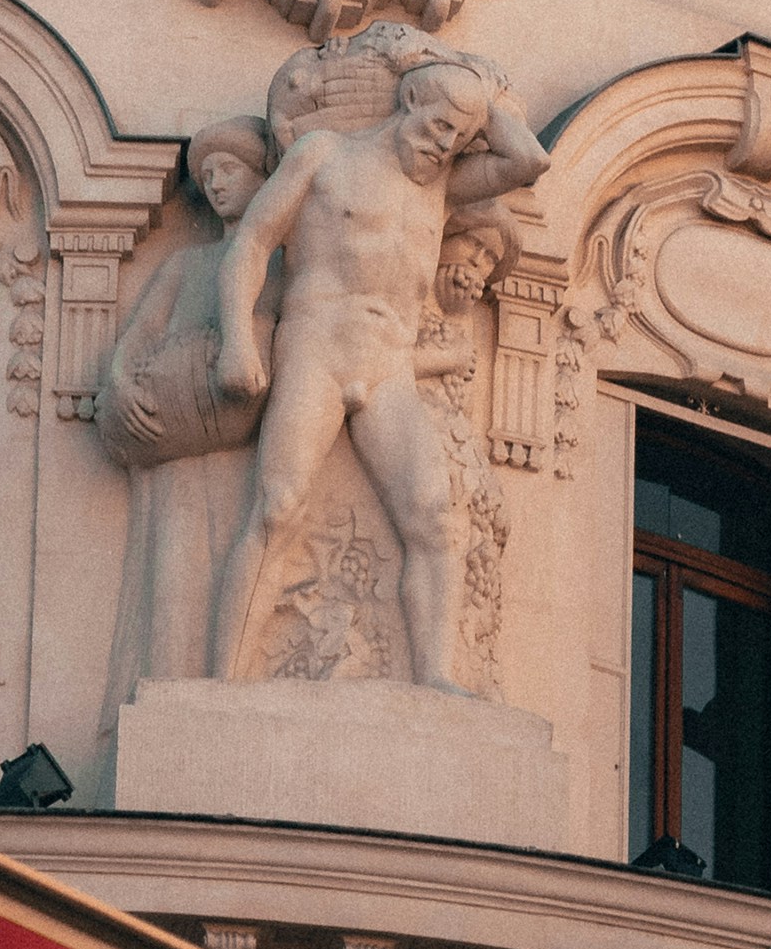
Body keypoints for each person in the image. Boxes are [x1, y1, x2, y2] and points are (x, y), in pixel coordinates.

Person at [207, 49, 541, 691]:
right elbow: (252, 243)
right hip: (317, 350)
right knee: (277, 507)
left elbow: (528, 161)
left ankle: (435, 677)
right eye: (438, 127)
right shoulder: (324, 155)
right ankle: (223, 680)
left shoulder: (441, 187)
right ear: (408, 101)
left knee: (435, 517)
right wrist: (236, 342)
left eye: (458, 140)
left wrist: (479, 93)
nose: (443, 147)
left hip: (390, 368)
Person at [94, 121, 279, 739]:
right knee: (175, 571)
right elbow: (137, 337)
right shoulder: (186, 264)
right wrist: (121, 383)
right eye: (208, 176)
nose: (218, 183)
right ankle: (173, 696)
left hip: (240, 444)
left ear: (263, 179)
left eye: (230, 171)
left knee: (238, 560)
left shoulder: (284, 264)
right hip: (175, 444)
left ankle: (231, 691)